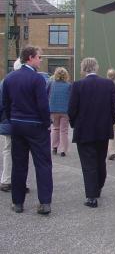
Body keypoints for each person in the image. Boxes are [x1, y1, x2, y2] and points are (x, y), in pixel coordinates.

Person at [2, 46, 53, 214]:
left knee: (19, 165)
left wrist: (12, 119)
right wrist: (46, 123)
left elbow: (6, 104)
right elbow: (43, 105)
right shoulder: (37, 79)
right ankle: (44, 202)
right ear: (30, 58)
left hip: (17, 124)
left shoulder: (9, 78)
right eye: (39, 57)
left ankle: (18, 203)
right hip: (36, 125)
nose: (41, 60)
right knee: (43, 164)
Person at [68, 57, 115, 208]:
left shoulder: (77, 85)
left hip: (83, 130)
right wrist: (109, 122)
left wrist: (74, 124)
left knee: (88, 163)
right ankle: (98, 186)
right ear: (96, 68)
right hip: (103, 129)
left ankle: (91, 196)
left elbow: (71, 109)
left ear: (83, 69)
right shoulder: (108, 84)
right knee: (100, 160)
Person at [0, 59, 24, 193]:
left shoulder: (5, 82)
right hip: (22, 122)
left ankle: (6, 180)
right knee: (21, 152)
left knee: (7, 149)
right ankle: (19, 181)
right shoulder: (28, 80)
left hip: (8, 121)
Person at [48, 67, 72, 157]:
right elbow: (71, 98)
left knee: (55, 128)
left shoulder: (51, 84)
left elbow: (47, 95)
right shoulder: (69, 85)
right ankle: (63, 150)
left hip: (53, 109)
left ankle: (54, 147)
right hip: (65, 110)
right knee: (64, 130)